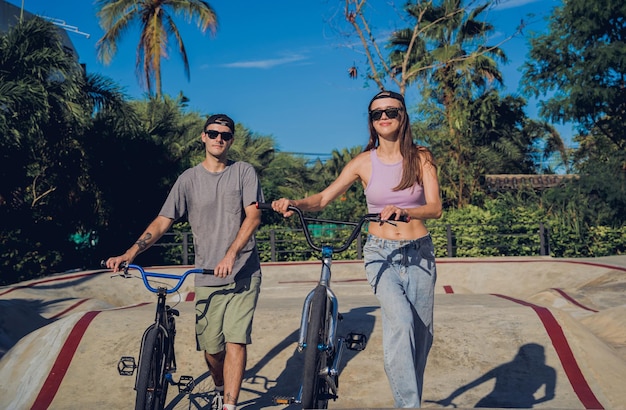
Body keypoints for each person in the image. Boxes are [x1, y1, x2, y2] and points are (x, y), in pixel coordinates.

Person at [271, 90, 442, 408]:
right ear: (371, 122)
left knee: (421, 337)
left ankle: (410, 396)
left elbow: (435, 208)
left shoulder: (421, 157)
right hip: (380, 253)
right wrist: (294, 202)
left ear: (403, 116)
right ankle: (409, 406)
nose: (384, 117)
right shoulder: (363, 163)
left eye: (391, 111)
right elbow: (322, 199)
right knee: (400, 322)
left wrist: (408, 212)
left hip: (420, 254)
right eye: (377, 114)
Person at [106, 114, 264, 410]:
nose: (219, 138)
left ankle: (229, 406)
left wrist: (231, 254)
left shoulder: (243, 172)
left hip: (243, 272)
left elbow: (253, 216)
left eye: (225, 135)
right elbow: (164, 220)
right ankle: (219, 385)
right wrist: (130, 253)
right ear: (203, 137)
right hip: (206, 275)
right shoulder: (188, 180)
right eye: (213, 133)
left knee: (235, 342)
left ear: (231, 140)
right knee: (212, 350)